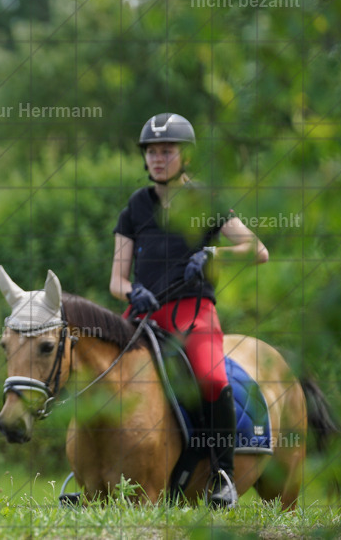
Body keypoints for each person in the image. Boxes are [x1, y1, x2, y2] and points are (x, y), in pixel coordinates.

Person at [108, 112, 268, 509]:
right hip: (144, 319)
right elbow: (116, 280)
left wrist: (213, 254)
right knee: (104, 376)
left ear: (186, 157)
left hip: (192, 315)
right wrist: (134, 291)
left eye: (167, 151)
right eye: (151, 152)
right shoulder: (135, 207)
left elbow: (257, 251)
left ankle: (223, 475)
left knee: (211, 379)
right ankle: (91, 474)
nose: (158, 159)